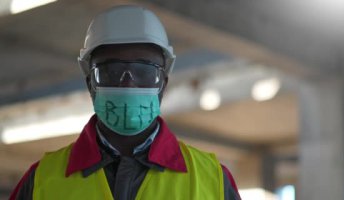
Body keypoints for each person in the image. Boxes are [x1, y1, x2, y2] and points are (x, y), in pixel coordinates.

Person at [10, 5, 241, 200]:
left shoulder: (213, 183)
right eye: (111, 70)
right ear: (91, 83)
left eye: (144, 70)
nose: (128, 85)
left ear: (163, 83)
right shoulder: (41, 182)